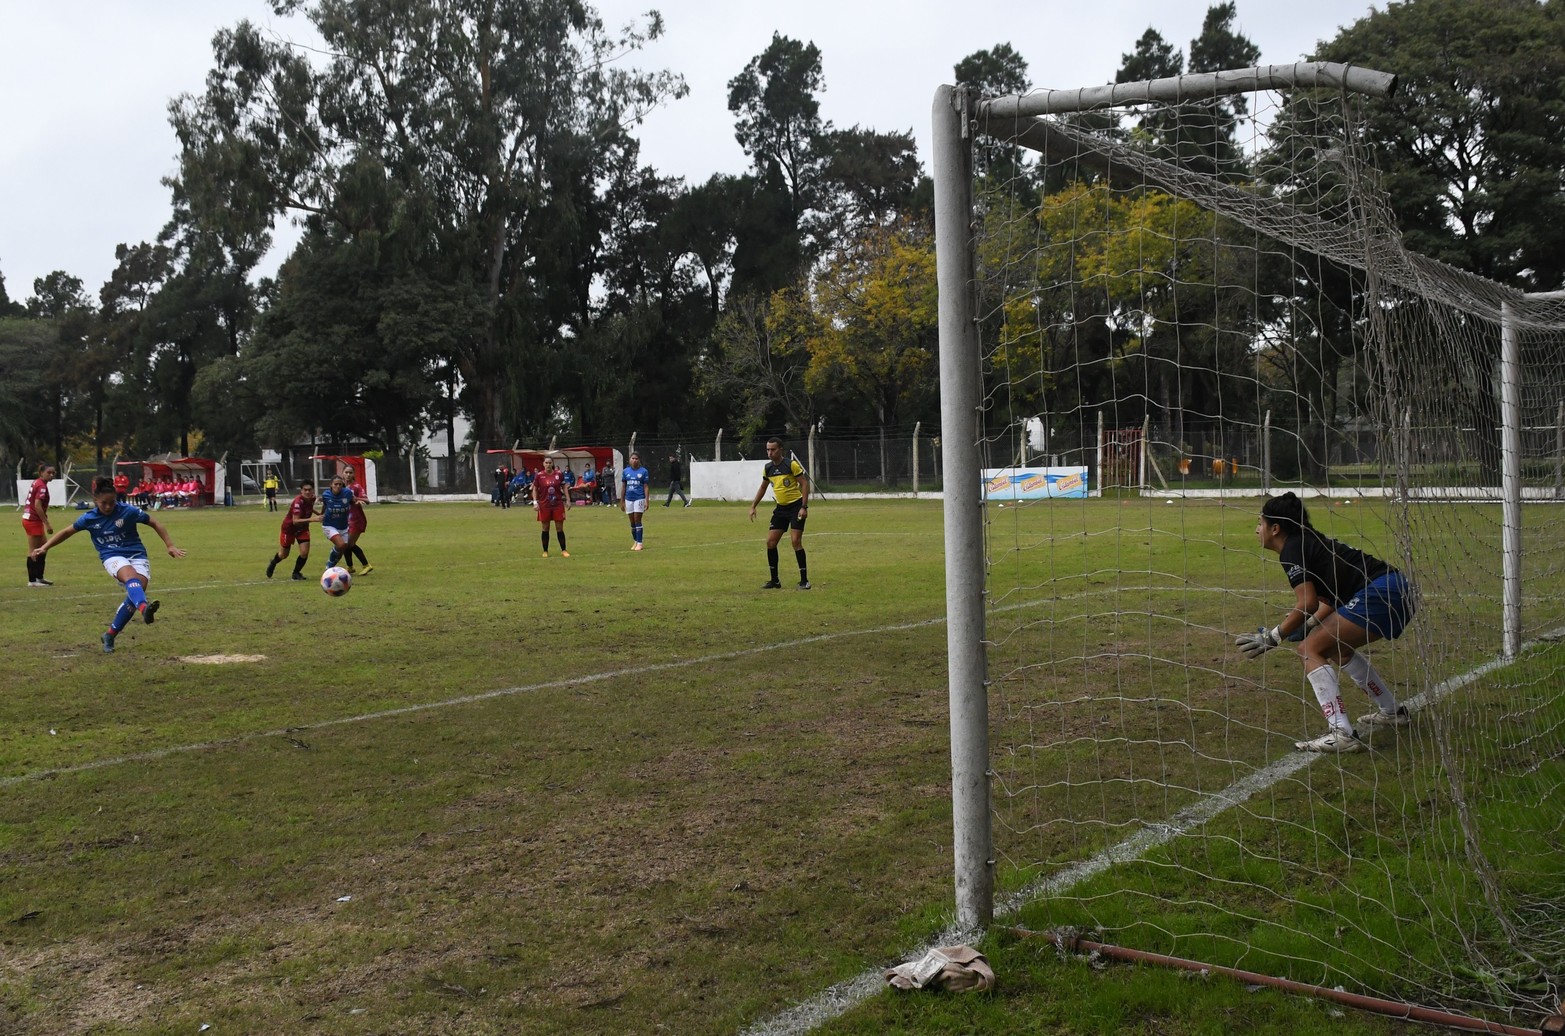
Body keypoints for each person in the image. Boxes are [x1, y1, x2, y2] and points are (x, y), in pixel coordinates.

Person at [1236, 492, 1416, 753]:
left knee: (1309, 650)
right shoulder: (1309, 541)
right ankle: (1392, 712)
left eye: (1260, 523)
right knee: (1337, 648)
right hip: (1397, 588)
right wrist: (1308, 626)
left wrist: (1273, 637)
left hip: (1382, 591)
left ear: (1275, 528)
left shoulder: (1292, 549)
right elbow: (1329, 601)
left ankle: (1342, 733)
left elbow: (1307, 603)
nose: (1257, 530)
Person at [28, 475, 186, 653]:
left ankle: (110, 634)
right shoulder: (89, 518)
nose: (109, 506)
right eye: (104, 503)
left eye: (112, 502)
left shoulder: (128, 511)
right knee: (131, 579)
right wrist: (45, 547)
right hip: (111, 556)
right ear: (95, 500)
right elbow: (66, 532)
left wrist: (170, 545)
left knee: (137, 590)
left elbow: (154, 522)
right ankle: (144, 608)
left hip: (137, 554)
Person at [748, 437, 811, 590]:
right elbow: (763, 487)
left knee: (795, 541)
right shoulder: (768, 468)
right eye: (768, 449)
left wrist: (804, 507)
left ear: (780, 449)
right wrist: (753, 506)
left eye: (773, 449)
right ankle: (775, 580)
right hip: (781, 509)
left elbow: (804, 483)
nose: (770, 452)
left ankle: (804, 581)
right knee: (770, 542)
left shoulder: (791, 465)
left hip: (796, 507)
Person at [266, 480, 318, 580]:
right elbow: (295, 521)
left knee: (304, 553)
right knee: (284, 554)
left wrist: (318, 513)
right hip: (289, 529)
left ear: (313, 490)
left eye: (309, 490)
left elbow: (309, 507)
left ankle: (296, 573)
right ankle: (273, 563)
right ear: (301, 491)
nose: (307, 492)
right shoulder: (298, 502)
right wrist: (313, 519)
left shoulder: (312, 498)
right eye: (305, 490)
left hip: (302, 528)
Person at [22, 463, 57, 587]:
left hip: (30, 518)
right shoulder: (41, 486)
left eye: (53, 473)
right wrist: (47, 523)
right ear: (41, 473)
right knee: (34, 550)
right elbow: (37, 505)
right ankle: (32, 581)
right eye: (49, 472)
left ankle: (39, 577)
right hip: (33, 520)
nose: (51, 475)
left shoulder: (37, 482)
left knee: (43, 548)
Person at [531, 455, 570, 557]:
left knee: (559, 528)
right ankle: (545, 551)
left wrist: (568, 500)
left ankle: (564, 550)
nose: (548, 464)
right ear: (543, 464)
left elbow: (564, 487)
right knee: (545, 528)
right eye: (546, 463)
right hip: (544, 505)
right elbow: (534, 489)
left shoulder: (559, 474)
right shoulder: (539, 475)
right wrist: (535, 502)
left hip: (557, 505)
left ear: (552, 464)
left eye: (550, 463)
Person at [316, 476, 357, 569]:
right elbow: (325, 505)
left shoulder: (347, 493)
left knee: (343, 548)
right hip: (329, 525)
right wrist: (321, 514)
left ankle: (331, 568)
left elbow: (354, 500)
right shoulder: (326, 494)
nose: (338, 486)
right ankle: (329, 566)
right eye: (335, 484)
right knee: (341, 544)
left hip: (343, 526)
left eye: (340, 484)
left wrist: (358, 502)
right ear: (331, 485)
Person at [340, 464, 374, 574]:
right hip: (345, 520)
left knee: (349, 544)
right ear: (343, 473)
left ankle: (366, 565)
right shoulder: (340, 487)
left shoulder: (356, 487)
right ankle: (350, 567)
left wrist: (356, 499)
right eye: (346, 472)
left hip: (356, 520)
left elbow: (367, 500)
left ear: (353, 474)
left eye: (350, 472)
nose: (348, 474)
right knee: (345, 543)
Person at [620, 452, 652, 551]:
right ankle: (636, 540)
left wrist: (647, 500)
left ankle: (640, 543)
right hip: (628, 498)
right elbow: (624, 486)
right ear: (630, 460)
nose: (634, 460)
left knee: (637, 519)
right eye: (633, 458)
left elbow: (646, 487)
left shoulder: (644, 471)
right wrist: (622, 501)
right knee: (632, 522)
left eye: (636, 458)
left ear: (639, 460)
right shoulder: (625, 471)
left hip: (639, 498)